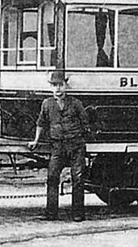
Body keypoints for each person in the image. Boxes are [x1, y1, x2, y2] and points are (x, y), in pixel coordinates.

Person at [28, 70, 89, 222]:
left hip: (76, 146)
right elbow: (40, 123)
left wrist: (79, 138)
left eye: (60, 85)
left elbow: (85, 123)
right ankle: (51, 213)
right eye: (54, 85)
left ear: (65, 86)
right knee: (52, 177)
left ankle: (78, 214)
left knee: (78, 179)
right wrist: (35, 141)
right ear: (50, 88)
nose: (58, 89)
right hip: (57, 147)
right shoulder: (47, 104)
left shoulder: (76, 104)